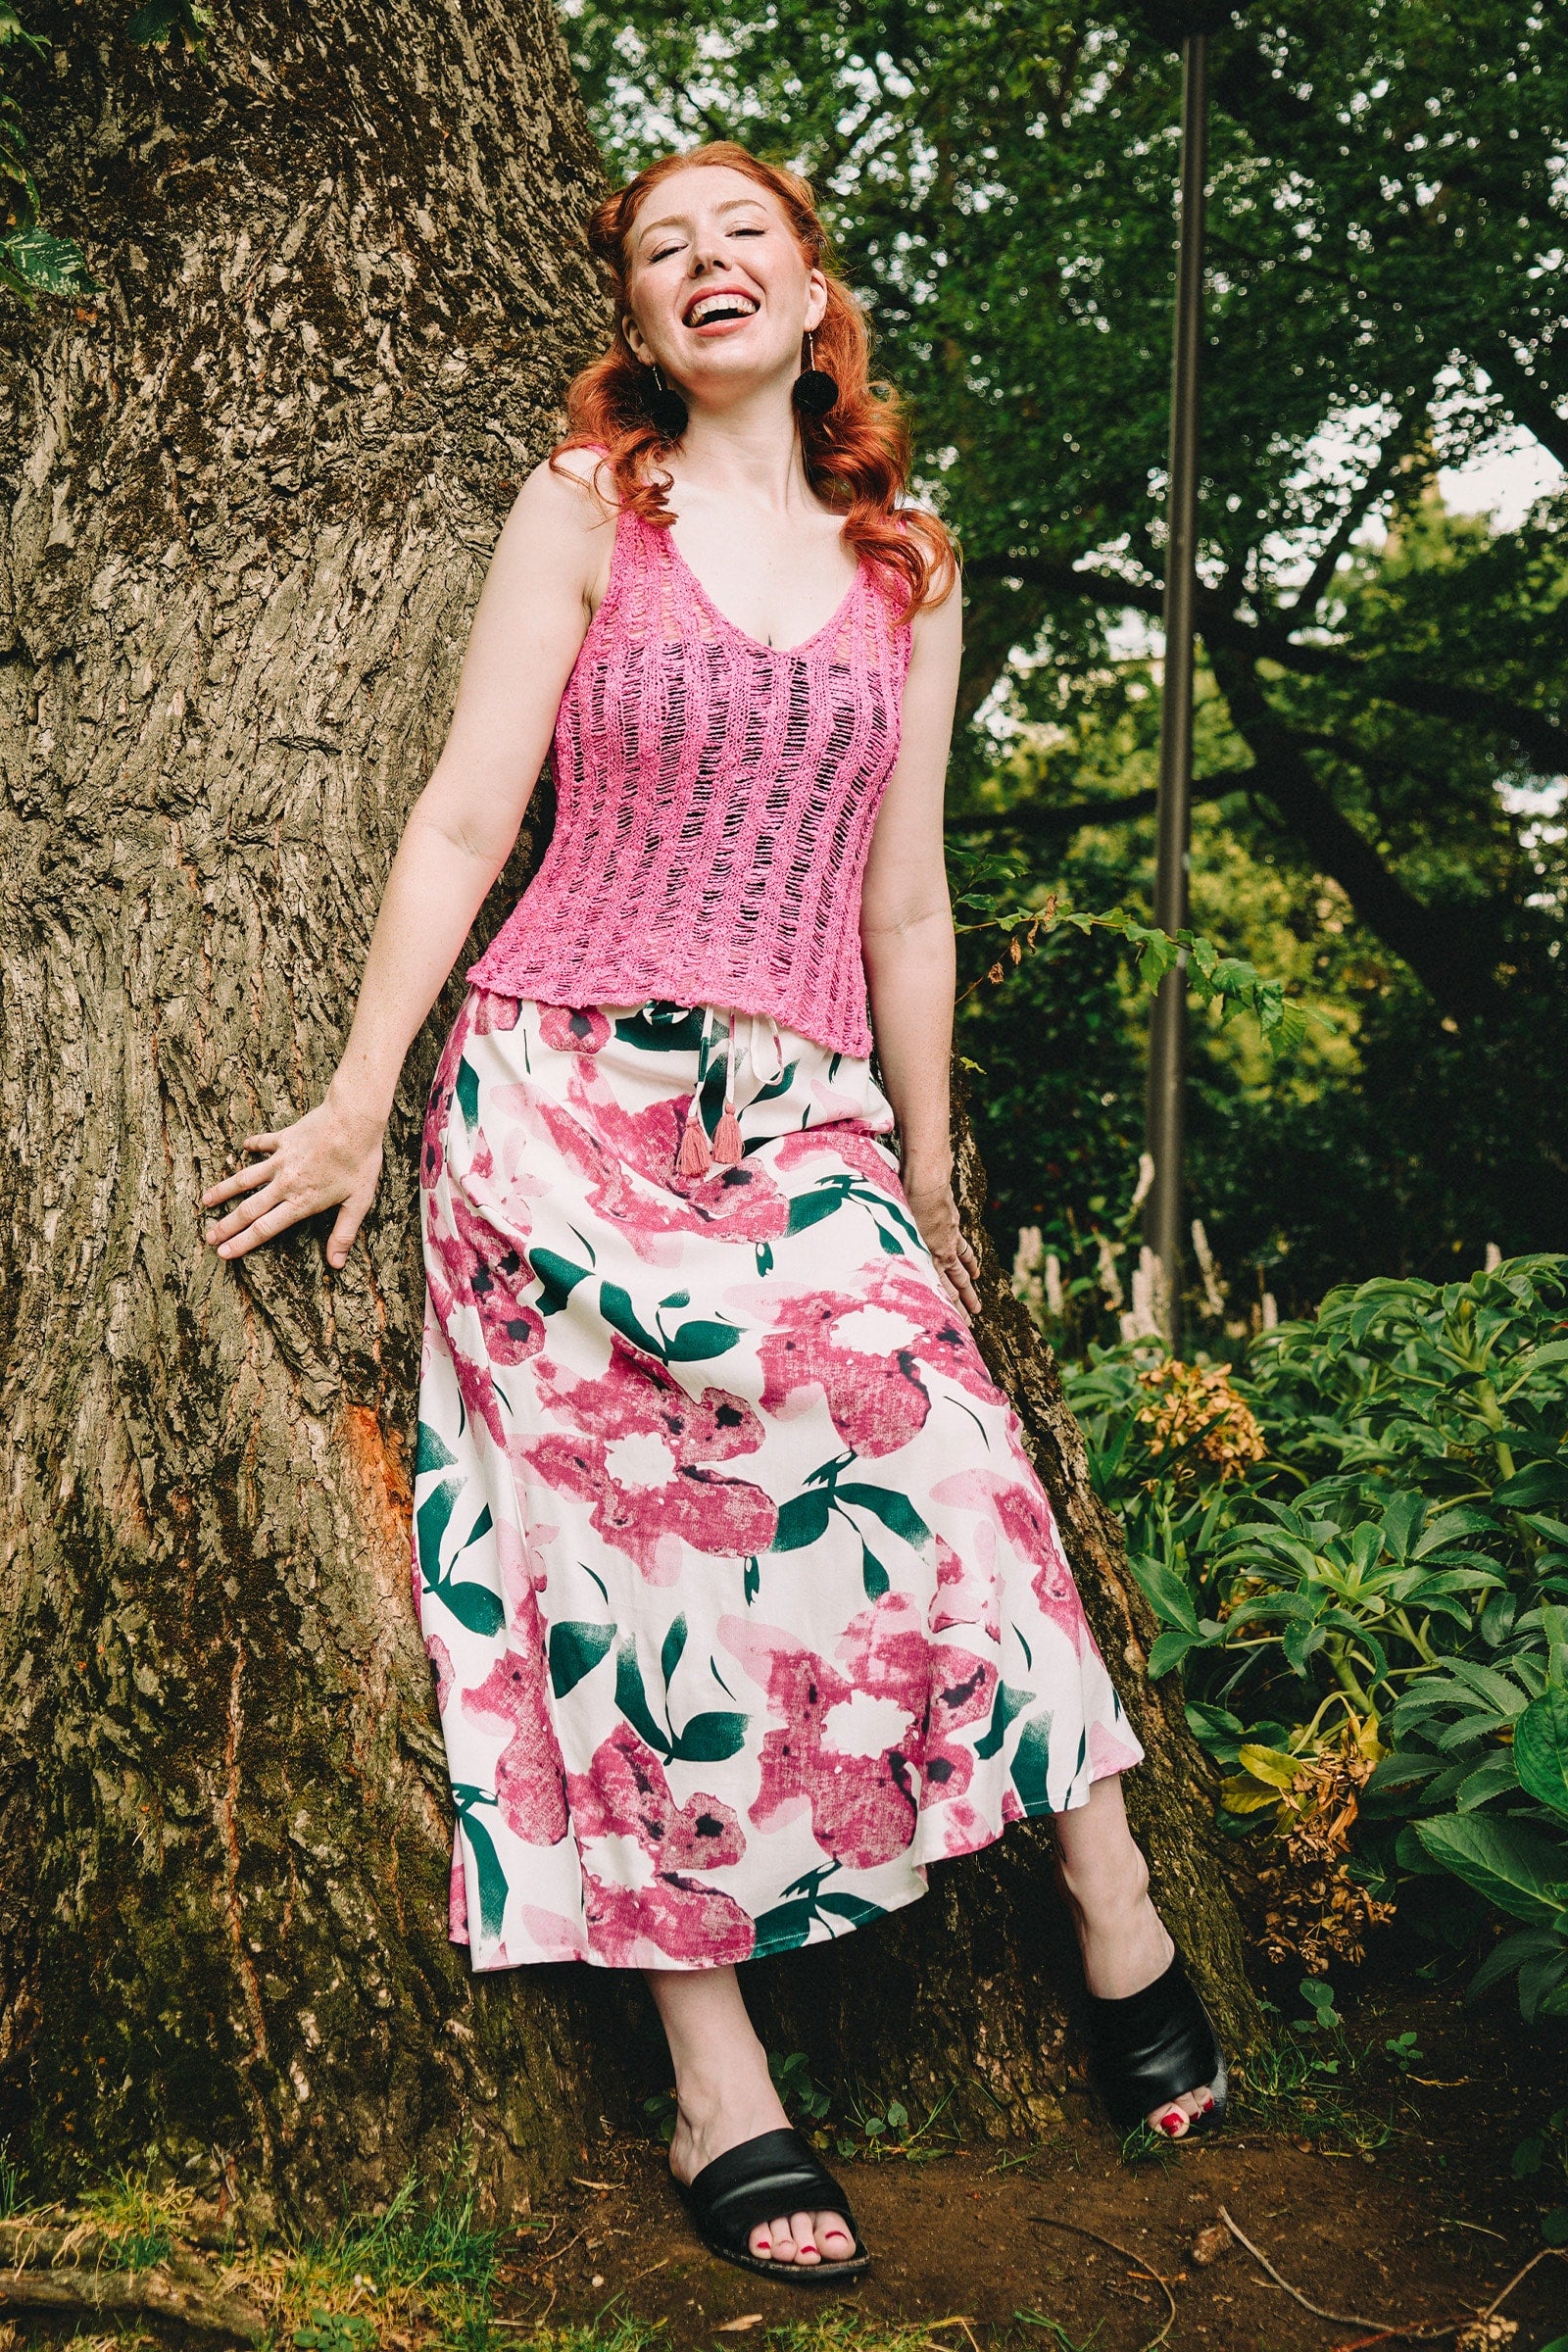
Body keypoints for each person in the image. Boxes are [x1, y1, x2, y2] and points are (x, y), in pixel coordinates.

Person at [202, 141, 1224, 2285]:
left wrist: (921, 1169)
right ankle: (716, 2079)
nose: (704, 261)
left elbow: (906, 900)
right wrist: (357, 1104)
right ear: (642, 318)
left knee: (951, 1446)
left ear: (811, 289)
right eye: (664, 247)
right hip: (559, 1086)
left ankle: (1113, 1901)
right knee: (612, 1554)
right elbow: (465, 815)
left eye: (741, 232)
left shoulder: (907, 566)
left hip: (799, 1107)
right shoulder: (590, 507)